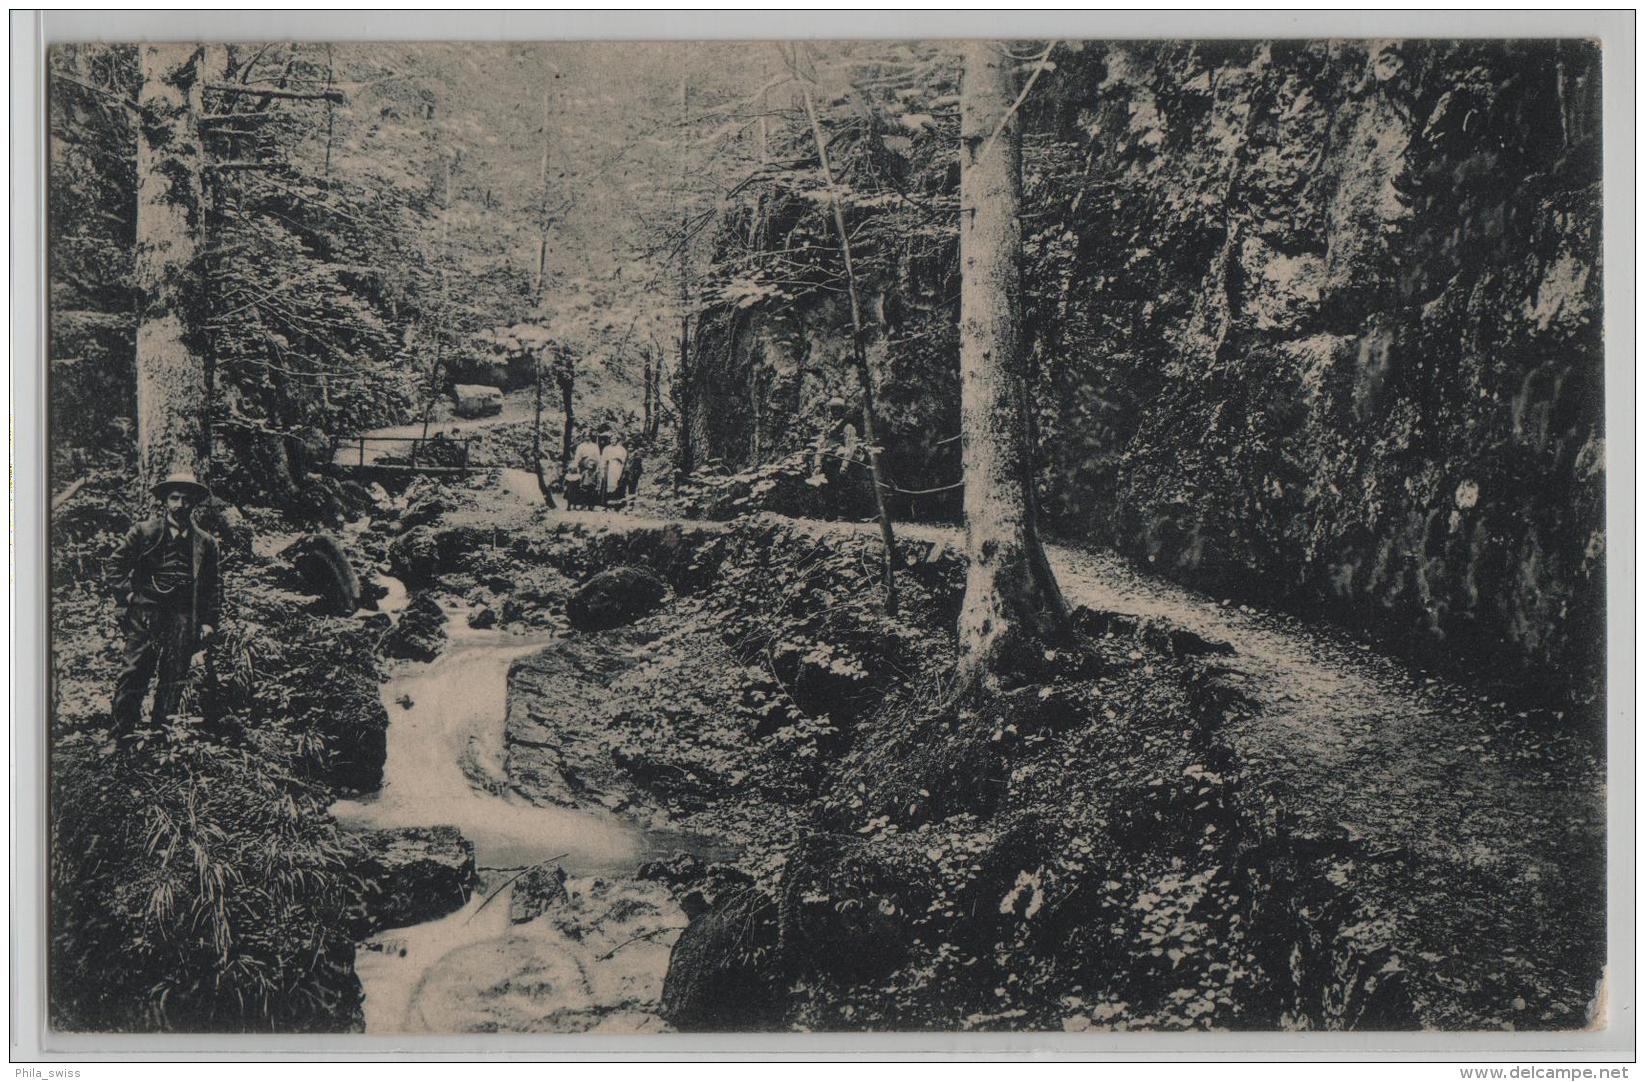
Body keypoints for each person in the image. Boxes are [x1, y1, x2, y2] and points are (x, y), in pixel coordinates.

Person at [110, 469, 222, 738]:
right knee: (134, 671)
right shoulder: (143, 532)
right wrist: (127, 596)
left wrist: (208, 621)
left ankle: (161, 734)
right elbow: (114, 565)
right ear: (164, 500)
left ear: (194, 502)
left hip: (183, 615)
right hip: (146, 612)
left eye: (185, 499)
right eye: (174, 498)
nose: (179, 505)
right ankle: (119, 735)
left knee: (174, 675)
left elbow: (213, 587)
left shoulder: (206, 543)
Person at [566, 431, 602, 510]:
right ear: (583, 437)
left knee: (591, 486)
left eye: (588, 436)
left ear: (591, 437)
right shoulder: (580, 446)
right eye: (585, 436)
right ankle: (582, 503)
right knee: (582, 486)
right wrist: (575, 466)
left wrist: (598, 467)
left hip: (592, 466)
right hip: (583, 466)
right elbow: (577, 457)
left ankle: (590, 504)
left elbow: (598, 457)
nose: (587, 438)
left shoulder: (595, 446)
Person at [598, 429, 629, 508]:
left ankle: (616, 503)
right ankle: (605, 502)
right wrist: (602, 467)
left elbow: (623, 458)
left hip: (617, 467)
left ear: (617, 440)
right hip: (608, 467)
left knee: (616, 482)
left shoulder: (621, 449)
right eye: (611, 439)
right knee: (607, 484)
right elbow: (603, 459)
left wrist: (618, 459)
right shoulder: (606, 448)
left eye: (614, 439)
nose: (613, 441)